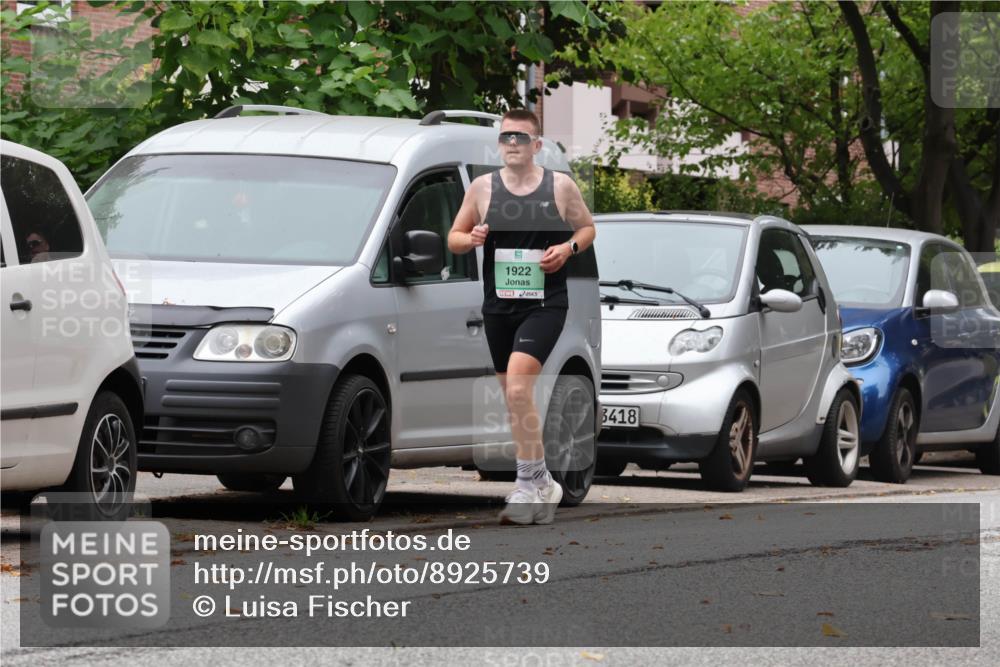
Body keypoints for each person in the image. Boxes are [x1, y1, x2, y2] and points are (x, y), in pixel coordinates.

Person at [448, 109, 596, 525]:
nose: (512, 143)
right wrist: (471, 238)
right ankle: (540, 483)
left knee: (516, 389)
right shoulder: (482, 188)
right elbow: (454, 238)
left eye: (520, 137)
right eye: (506, 137)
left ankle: (527, 481)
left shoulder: (559, 186)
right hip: (499, 306)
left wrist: (568, 250)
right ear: (499, 144)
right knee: (515, 399)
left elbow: (586, 229)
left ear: (537, 145)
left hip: (545, 303)